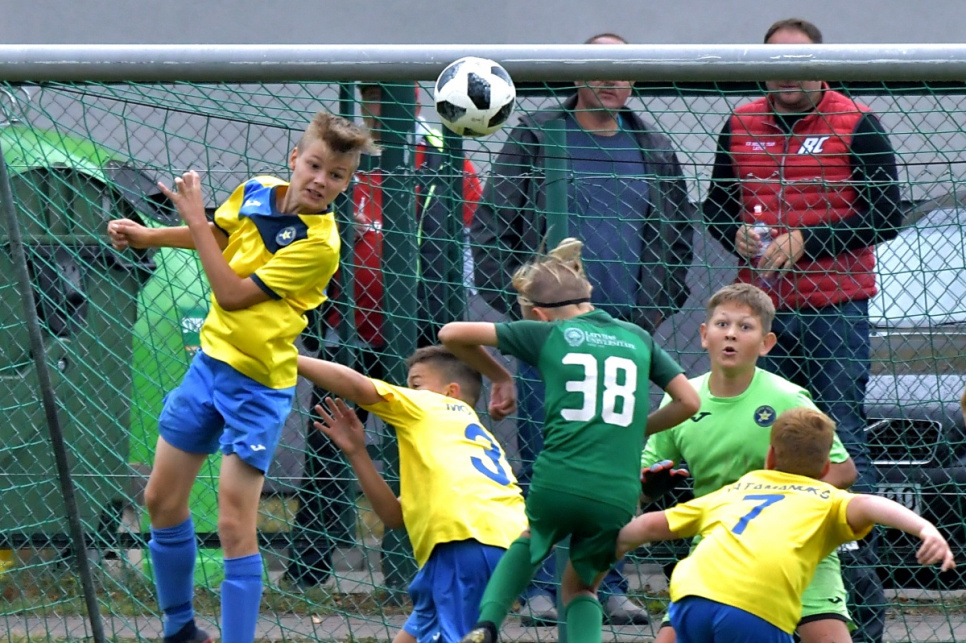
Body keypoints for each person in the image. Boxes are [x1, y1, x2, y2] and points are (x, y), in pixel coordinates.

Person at [107, 111, 375, 643]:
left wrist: (190, 215)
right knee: (160, 500)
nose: (321, 180)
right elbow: (218, 234)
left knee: (234, 525)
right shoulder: (256, 191)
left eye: (337, 175)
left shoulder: (319, 245)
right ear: (294, 158)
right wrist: (148, 235)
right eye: (315, 165)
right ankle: (181, 630)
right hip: (209, 366)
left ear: (347, 183)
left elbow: (231, 293)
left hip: (258, 387)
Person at [470, 32, 695, 625]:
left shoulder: (653, 146)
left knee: (614, 468)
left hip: (621, 338)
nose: (613, 79)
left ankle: (604, 583)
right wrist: (527, 307)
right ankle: (540, 588)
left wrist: (648, 317)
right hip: (557, 338)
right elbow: (489, 227)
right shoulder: (539, 135)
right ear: (577, 73)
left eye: (625, 69)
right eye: (601, 67)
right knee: (547, 459)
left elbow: (677, 240)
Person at [701, 18, 904, 641]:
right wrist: (732, 231)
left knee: (840, 446)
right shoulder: (740, 123)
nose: (784, 74)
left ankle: (858, 612)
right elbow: (716, 205)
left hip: (836, 311)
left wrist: (808, 240)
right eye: (773, 63)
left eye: (797, 61)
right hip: (763, 316)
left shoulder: (857, 122)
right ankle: (765, 594)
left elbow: (887, 213)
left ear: (822, 65)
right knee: (763, 447)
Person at [440, 238, 701, 643]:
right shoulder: (637, 336)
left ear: (539, 313)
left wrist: (500, 377)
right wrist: (637, 428)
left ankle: (486, 624)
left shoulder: (548, 333)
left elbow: (451, 333)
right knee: (581, 589)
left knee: (531, 539)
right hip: (616, 493)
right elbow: (689, 401)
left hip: (558, 482)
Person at [286, 81, 485, 589]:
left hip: (418, 333)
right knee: (329, 440)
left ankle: (426, 558)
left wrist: (443, 314)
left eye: (386, 95)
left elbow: (466, 244)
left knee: (423, 445)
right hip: (347, 329)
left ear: (413, 99)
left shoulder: (444, 159)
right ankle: (309, 566)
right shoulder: (345, 158)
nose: (377, 105)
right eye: (369, 95)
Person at [640, 283, 861, 643]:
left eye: (745, 327)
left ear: (765, 343)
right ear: (704, 335)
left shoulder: (787, 397)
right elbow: (641, 483)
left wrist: (773, 504)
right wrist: (647, 488)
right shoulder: (681, 401)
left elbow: (843, 470)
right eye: (722, 324)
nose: (731, 334)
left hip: (792, 545)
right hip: (718, 550)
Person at [622, 407, 955, 643]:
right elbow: (871, 504)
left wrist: (609, 544)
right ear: (826, 469)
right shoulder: (827, 498)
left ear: (770, 457)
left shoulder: (740, 489)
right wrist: (925, 529)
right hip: (754, 607)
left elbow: (651, 526)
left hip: (691, 598)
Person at [295, 345, 528, 643]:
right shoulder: (465, 440)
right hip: (499, 543)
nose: (408, 392)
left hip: (465, 540)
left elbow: (359, 386)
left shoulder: (433, 405)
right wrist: (356, 452)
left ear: (451, 391)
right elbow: (395, 516)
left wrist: (288, 357)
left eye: (416, 384)